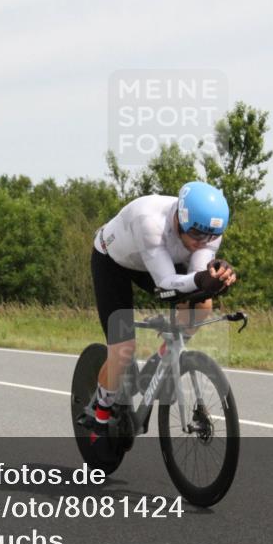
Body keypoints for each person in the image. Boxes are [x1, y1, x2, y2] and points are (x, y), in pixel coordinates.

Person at [88, 181, 237, 440]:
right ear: (180, 219)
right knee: (122, 351)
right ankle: (100, 409)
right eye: (197, 236)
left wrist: (214, 281)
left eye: (210, 238)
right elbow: (165, 283)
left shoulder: (208, 230)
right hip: (114, 263)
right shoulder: (150, 222)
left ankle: (163, 357)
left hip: (157, 261)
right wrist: (200, 280)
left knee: (202, 305)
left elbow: (195, 277)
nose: (203, 243)